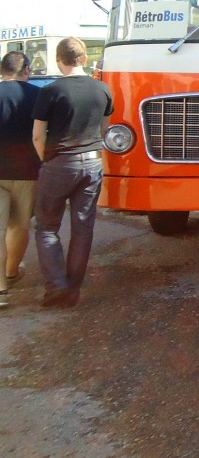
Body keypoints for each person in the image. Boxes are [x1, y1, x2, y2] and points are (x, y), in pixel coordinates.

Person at [31, 37, 113, 308]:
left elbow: (37, 136)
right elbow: (104, 130)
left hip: (59, 163)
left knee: (46, 227)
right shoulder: (103, 89)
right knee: (83, 229)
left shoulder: (50, 91)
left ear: (59, 60)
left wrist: (47, 160)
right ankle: (73, 289)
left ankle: (57, 286)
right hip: (92, 163)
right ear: (84, 59)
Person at [0, 51, 41, 307]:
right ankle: (11, 273)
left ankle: (0, 290)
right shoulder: (38, 95)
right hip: (26, 171)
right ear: (26, 70)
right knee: (18, 226)